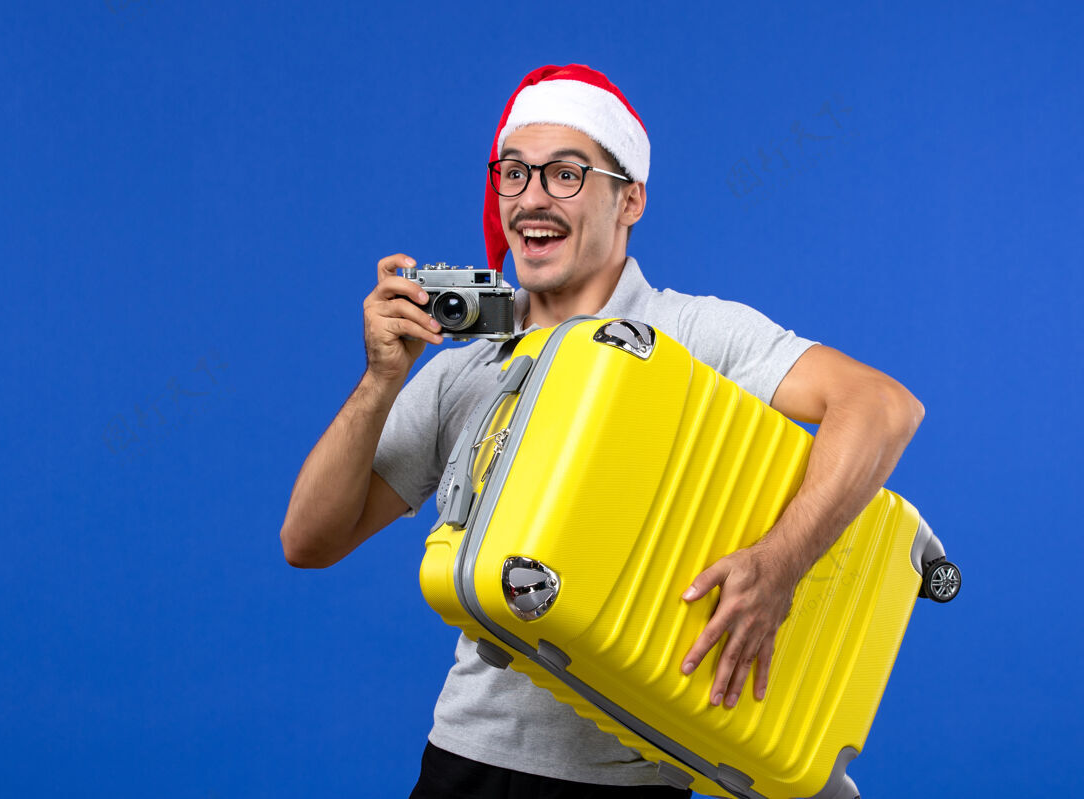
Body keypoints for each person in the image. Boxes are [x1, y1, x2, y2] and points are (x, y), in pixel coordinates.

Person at [280, 64, 925, 798]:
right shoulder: (463, 369)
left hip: (631, 769)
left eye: (565, 174)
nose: (531, 198)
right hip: (467, 762)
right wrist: (379, 381)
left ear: (631, 199)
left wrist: (780, 563)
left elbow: (882, 407)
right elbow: (309, 540)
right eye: (515, 173)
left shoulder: (692, 335)